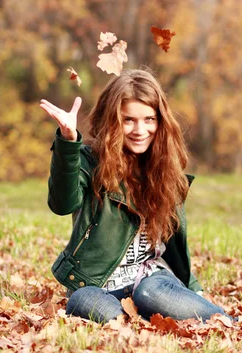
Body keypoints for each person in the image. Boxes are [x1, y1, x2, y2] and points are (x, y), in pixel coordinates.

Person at [39, 68, 229, 324]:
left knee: (149, 294)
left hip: (151, 281)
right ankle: (131, 327)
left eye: (149, 119)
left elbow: (173, 241)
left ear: (160, 121)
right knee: (81, 301)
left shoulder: (165, 168)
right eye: (128, 120)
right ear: (112, 120)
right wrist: (68, 141)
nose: (140, 130)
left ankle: (227, 322)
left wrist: (192, 289)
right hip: (98, 285)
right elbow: (62, 204)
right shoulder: (88, 161)